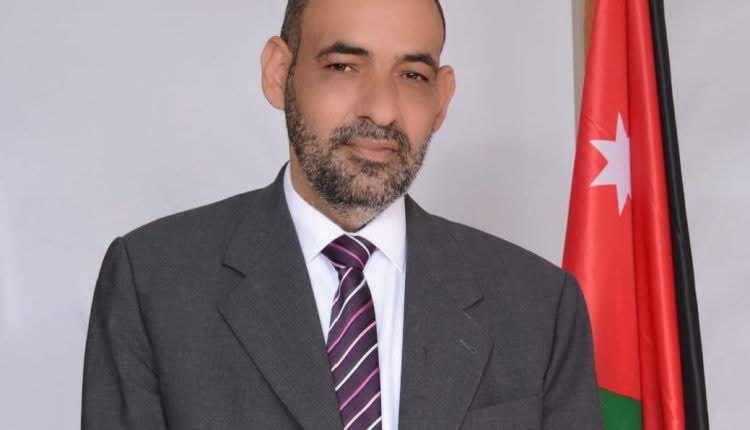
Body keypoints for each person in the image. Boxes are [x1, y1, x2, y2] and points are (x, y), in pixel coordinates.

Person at [81, 0, 603, 428]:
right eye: (343, 67)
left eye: (412, 74)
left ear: (442, 98)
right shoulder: (151, 283)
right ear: (279, 73)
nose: (382, 109)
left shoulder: (540, 306)